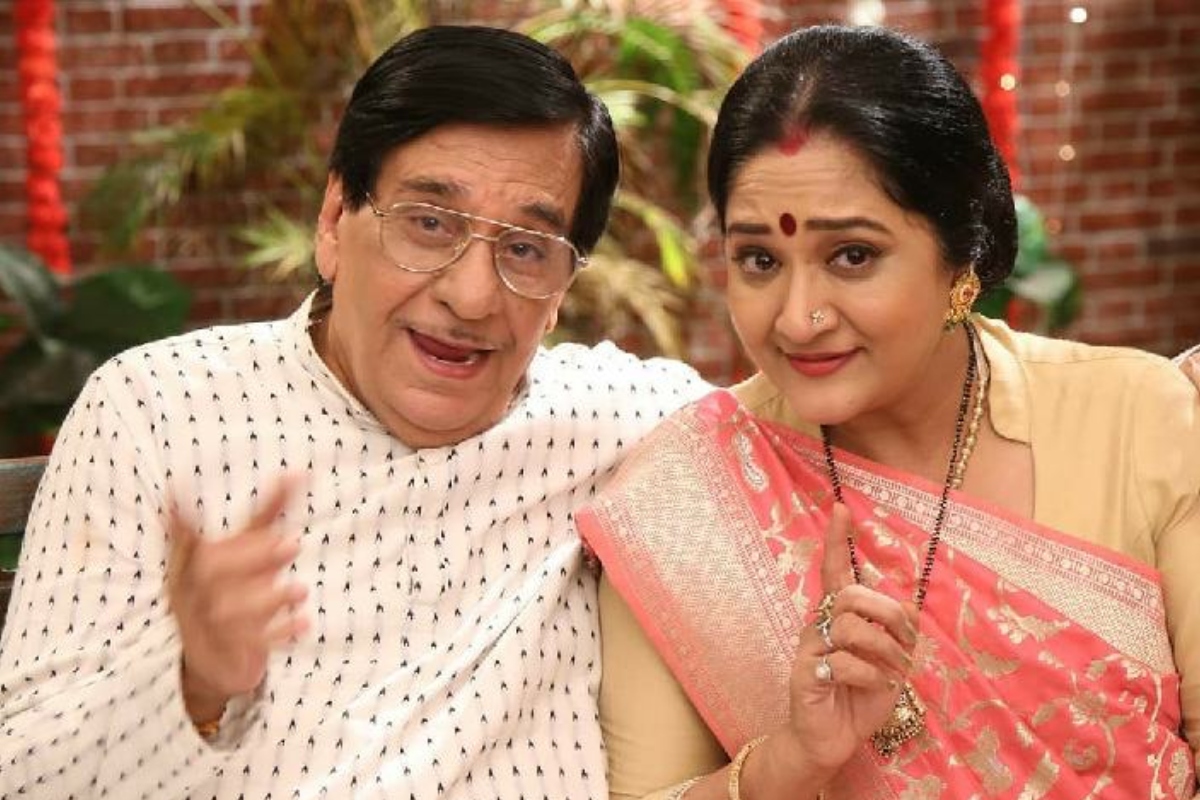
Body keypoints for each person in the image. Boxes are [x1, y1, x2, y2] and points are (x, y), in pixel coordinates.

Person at [0, 26, 712, 799]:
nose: (472, 296)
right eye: (429, 223)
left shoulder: (618, 421)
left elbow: (789, 399)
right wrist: (188, 684)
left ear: (563, 288)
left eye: (525, 250)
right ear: (335, 220)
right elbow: (22, 776)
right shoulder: (155, 410)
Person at [578, 25, 1200, 800]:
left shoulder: (1139, 420)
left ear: (962, 250)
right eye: (760, 261)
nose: (799, 317)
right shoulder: (682, 504)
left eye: (853, 256)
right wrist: (796, 758)